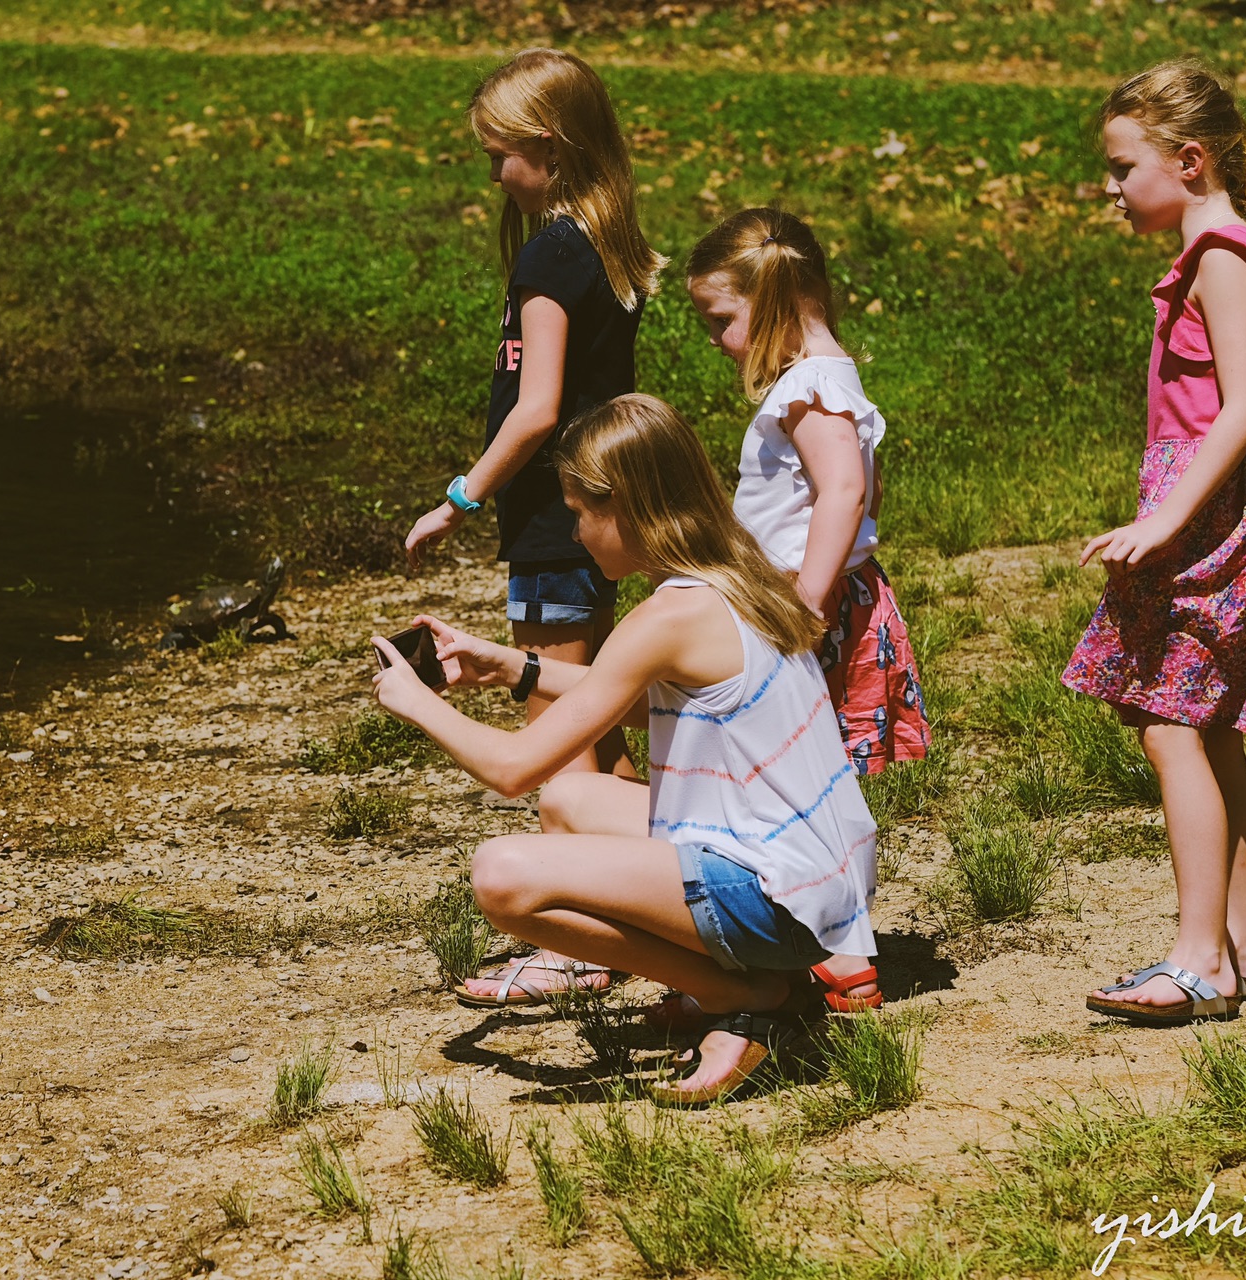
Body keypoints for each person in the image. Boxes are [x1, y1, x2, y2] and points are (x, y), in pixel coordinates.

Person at [373, 394, 878, 1105]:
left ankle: (743, 992)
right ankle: (764, 975)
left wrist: (417, 703)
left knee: (502, 874)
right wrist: (515, 667)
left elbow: (511, 770)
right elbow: (650, 699)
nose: (576, 534)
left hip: (777, 900)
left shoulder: (665, 615)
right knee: (571, 799)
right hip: (820, 876)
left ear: (628, 507)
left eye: (580, 512)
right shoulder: (738, 574)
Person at [1071, 62, 1246, 1026]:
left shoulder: (1222, 253)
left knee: (1171, 722)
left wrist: (1165, 520)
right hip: (1213, 501)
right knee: (1204, 726)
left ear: (1190, 159)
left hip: (1215, 510)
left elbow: (1244, 407)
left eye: (1125, 168)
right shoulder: (1213, 246)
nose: (1112, 188)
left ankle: (1198, 957)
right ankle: (1244, 943)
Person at [683, 206, 929, 1012]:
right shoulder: (832, 380)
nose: (715, 339)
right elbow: (862, 490)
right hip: (802, 597)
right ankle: (819, 948)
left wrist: (808, 603)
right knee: (805, 784)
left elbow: (846, 492)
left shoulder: (811, 387)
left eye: (720, 319)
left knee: (795, 782)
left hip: (802, 608)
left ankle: (833, 949)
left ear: (778, 302)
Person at [403, 47, 663, 778]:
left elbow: (537, 408)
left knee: (560, 752)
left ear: (547, 145)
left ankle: (609, 880)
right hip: (601, 507)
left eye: (499, 157)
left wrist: (461, 499)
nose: (493, 177)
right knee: (597, 727)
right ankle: (639, 865)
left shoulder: (551, 257)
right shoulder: (602, 243)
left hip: (557, 515)